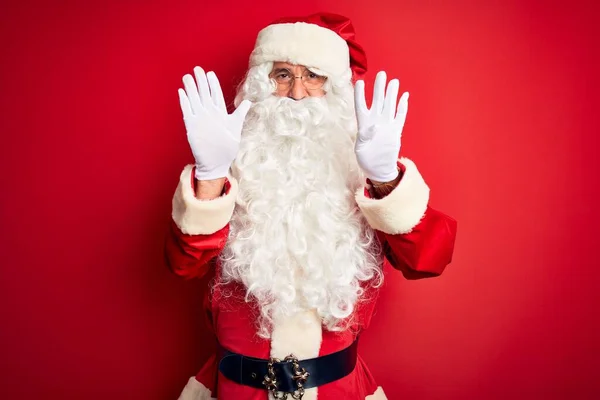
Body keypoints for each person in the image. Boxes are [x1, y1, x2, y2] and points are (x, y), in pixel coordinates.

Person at [165, 12, 457, 400]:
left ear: (334, 89)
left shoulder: (363, 176)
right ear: (262, 84)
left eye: (314, 76)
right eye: (283, 74)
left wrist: (386, 176)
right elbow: (182, 265)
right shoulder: (232, 168)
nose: (297, 93)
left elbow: (429, 260)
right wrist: (211, 172)